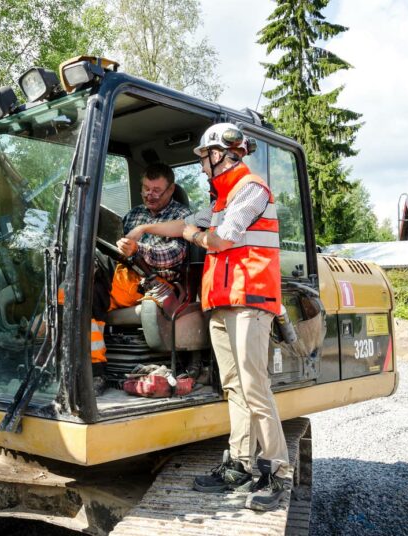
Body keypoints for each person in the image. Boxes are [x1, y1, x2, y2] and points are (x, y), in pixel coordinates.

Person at [124, 123, 290, 512]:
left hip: (249, 300)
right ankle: (241, 463)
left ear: (222, 154)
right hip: (222, 301)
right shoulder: (219, 199)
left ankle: (275, 470)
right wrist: (147, 227)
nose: (201, 167)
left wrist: (194, 234)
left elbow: (219, 240)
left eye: (203, 158)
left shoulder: (251, 189)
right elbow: (183, 226)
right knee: (233, 385)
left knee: (255, 387)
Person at [90, 163, 191, 395]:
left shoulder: (182, 216)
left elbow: (175, 254)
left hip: (155, 283)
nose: (149, 195)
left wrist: (138, 249)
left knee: (88, 282)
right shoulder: (134, 214)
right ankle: (92, 370)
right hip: (124, 276)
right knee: (82, 287)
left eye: (157, 190)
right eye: (146, 188)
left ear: (171, 189)